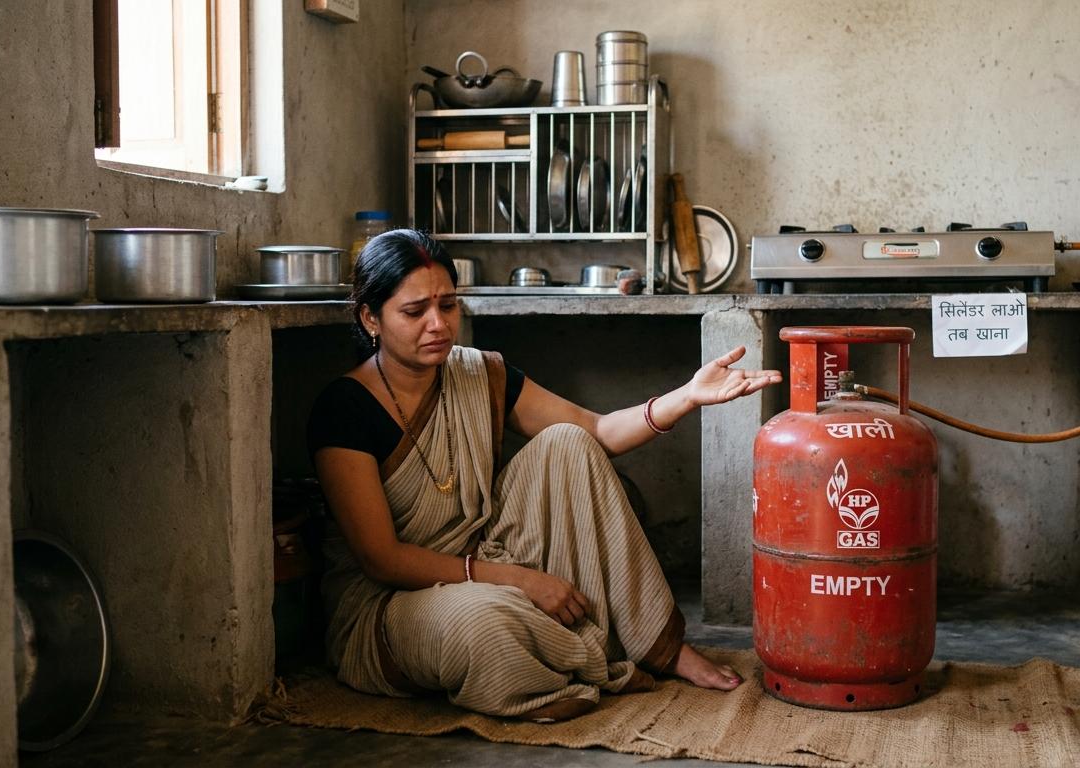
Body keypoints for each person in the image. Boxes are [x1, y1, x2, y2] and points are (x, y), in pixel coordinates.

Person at [307, 229, 781, 722]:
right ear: (370, 318)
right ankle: (559, 664)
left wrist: (686, 396)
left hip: (482, 554)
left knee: (567, 444)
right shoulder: (344, 408)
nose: (438, 324)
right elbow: (381, 560)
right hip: (392, 604)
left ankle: (658, 647)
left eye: (447, 305)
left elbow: (595, 429)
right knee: (484, 623)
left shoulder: (478, 373)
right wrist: (518, 581)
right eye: (414, 311)